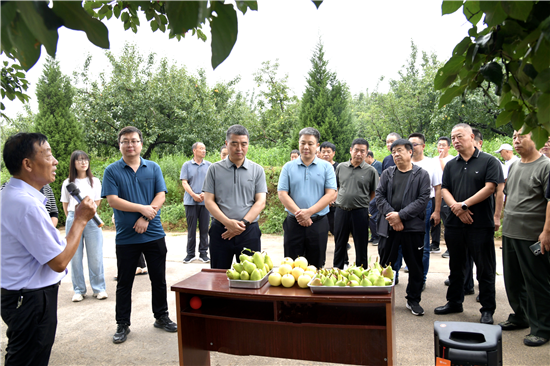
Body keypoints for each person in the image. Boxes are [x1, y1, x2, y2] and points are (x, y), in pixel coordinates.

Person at [1, 132, 96, 365]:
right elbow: (58, 262)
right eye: (49, 155)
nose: (55, 161)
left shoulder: (11, 195)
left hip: (21, 297)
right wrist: (81, 220)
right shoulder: (25, 204)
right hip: (30, 301)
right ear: (28, 164)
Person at [102, 126, 177, 344]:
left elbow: (160, 195)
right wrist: (141, 208)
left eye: (134, 141)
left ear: (141, 144)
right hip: (126, 237)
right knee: (124, 282)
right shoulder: (112, 171)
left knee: (158, 279)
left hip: (154, 234)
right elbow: (113, 200)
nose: (130, 145)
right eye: (125, 141)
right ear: (120, 145)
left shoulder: (152, 168)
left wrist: (146, 217)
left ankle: (161, 316)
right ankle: (122, 323)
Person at [434, 123, 501, 325]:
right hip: (455, 224)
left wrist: (464, 205)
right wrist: (456, 207)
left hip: (480, 223)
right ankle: (454, 301)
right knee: (456, 265)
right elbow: (445, 188)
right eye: (453, 137)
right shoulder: (451, 164)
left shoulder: (490, 161)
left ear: (472, 137)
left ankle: (487, 309)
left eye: (459, 136)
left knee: (484, 267)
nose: (455, 141)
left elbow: (491, 188)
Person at [500, 129, 550, 347]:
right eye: (513, 137)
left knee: (536, 282)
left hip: (533, 236)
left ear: (536, 138)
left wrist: (546, 232)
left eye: (522, 136)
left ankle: (542, 328)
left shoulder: (546, 166)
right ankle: (520, 316)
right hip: (510, 232)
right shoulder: (515, 165)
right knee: (513, 280)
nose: (516, 141)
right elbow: (509, 195)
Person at [375, 139, 430, 316]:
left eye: (399, 150)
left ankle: (413, 300)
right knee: (385, 265)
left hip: (412, 228)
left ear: (410, 152)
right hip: (389, 226)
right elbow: (379, 196)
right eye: (393, 152)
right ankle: (382, 298)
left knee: (415, 265)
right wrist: (393, 217)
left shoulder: (422, 174)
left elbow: (422, 200)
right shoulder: (387, 173)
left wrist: (401, 216)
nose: (396, 154)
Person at [203, 125, 267, 269]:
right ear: (226, 144)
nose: (239, 148)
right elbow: (209, 201)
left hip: (249, 231)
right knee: (218, 277)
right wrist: (228, 223)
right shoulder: (214, 169)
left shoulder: (257, 170)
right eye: (234, 143)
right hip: (221, 231)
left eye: (243, 144)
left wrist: (242, 224)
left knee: (251, 277)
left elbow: (260, 202)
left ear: (248, 145)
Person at [278, 127, 337, 268]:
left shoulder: (326, 167)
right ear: (298, 143)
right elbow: (282, 193)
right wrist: (300, 214)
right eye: (302, 143)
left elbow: (330, 194)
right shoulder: (288, 167)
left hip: (318, 224)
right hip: (294, 223)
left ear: (317, 146)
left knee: (316, 265)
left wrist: (309, 212)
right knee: (291, 267)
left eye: (310, 144)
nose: (306, 147)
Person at [60, 150, 107, 302]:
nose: (83, 162)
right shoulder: (68, 183)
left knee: (95, 256)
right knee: (75, 256)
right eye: (79, 160)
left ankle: (99, 288)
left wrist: (88, 214)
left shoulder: (95, 181)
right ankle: (79, 289)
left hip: (92, 218)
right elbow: (65, 205)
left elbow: (97, 202)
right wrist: (72, 220)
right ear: (73, 163)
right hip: (73, 217)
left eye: (85, 159)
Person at [333, 138, 378, 269]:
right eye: (356, 150)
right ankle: (338, 269)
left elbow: (373, 192)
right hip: (341, 210)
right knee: (340, 242)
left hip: (360, 212)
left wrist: (362, 201)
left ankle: (361, 271)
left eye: (362, 151)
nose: (358, 154)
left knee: (361, 243)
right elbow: (336, 186)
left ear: (366, 153)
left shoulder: (371, 171)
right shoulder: (341, 167)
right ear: (351, 150)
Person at [180, 142, 212, 263]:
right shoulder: (187, 165)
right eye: (201, 148)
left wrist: (204, 193)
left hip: (205, 202)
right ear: (194, 150)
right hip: (190, 202)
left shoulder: (209, 165)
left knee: (204, 229)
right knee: (191, 229)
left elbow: (212, 182)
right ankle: (190, 254)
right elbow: (184, 182)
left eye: (204, 149)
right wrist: (193, 195)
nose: (204, 151)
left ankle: (203, 253)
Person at [430, 136, 454, 254]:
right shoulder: (433, 160)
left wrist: (441, 161)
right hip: (434, 195)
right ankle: (435, 244)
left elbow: (450, 176)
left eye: (443, 145)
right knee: (434, 220)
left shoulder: (452, 160)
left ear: (449, 147)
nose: (441, 147)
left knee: (447, 220)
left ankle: (450, 247)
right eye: (439, 145)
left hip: (446, 195)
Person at [319, 141, 338, 238]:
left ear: (333, 153)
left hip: (333, 203)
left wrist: (331, 200)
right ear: (320, 153)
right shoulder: (318, 166)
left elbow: (339, 186)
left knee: (333, 224)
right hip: (319, 203)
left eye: (328, 152)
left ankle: (342, 244)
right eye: (323, 151)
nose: (326, 154)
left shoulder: (338, 167)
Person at [365, 150, 382, 245]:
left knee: (373, 215)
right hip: (368, 193)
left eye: (365, 158)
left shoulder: (378, 165)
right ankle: (373, 236)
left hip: (376, 194)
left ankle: (377, 237)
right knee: (370, 216)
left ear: (370, 157)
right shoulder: (367, 166)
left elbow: (380, 178)